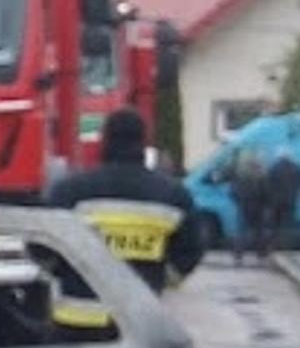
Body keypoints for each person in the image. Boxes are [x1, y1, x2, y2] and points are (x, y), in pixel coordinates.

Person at [47, 108, 204, 293]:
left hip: (78, 315)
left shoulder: (69, 191)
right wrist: (160, 280)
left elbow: (41, 247)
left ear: (105, 140)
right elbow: (191, 250)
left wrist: (63, 274)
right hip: (139, 316)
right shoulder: (173, 195)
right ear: (144, 141)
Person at [226, 148, 271, 266]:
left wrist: (238, 200)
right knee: (259, 232)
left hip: (243, 204)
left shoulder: (240, 174)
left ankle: (238, 257)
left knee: (241, 231)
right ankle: (261, 256)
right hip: (258, 206)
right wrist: (266, 204)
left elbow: (233, 190)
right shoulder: (261, 173)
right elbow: (266, 191)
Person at [266, 148, 300, 251]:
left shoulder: (273, 168)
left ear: (279, 157)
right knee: (288, 224)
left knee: (274, 224)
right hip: (290, 200)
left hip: (275, 201)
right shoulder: (297, 168)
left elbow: (267, 184)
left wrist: (267, 199)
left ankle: (274, 245)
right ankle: (286, 246)